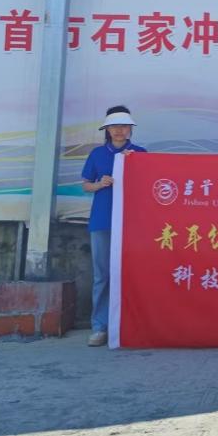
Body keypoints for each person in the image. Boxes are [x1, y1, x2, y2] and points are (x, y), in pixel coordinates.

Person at [80, 105, 147, 347]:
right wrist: (100, 184)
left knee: (133, 273)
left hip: (132, 223)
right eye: (114, 126)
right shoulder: (97, 154)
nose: (119, 130)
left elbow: (149, 184)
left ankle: (131, 324)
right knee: (103, 275)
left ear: (130, 129)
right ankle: (100, 327)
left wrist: (134, 164)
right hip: (102, 221)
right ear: (107, 130)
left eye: (124, 126)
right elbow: (86, 184)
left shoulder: (140, 153)